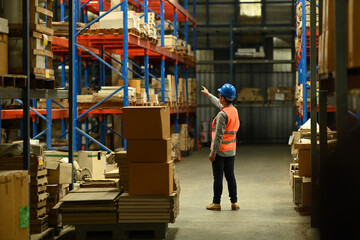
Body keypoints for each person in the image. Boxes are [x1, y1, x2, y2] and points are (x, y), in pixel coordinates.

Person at [201, 83, 240, 211]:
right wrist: (208, 95)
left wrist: (213, 152)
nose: (219, 97)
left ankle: (216, 203)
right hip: (231, 150)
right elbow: (219, 103)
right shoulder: (233, 110)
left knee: (217, 177)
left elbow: (218, 136)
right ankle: (234, 202)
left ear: (224, 98)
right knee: (230, 176)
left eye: (220, 95)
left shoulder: (223, 114)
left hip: (220, 152)